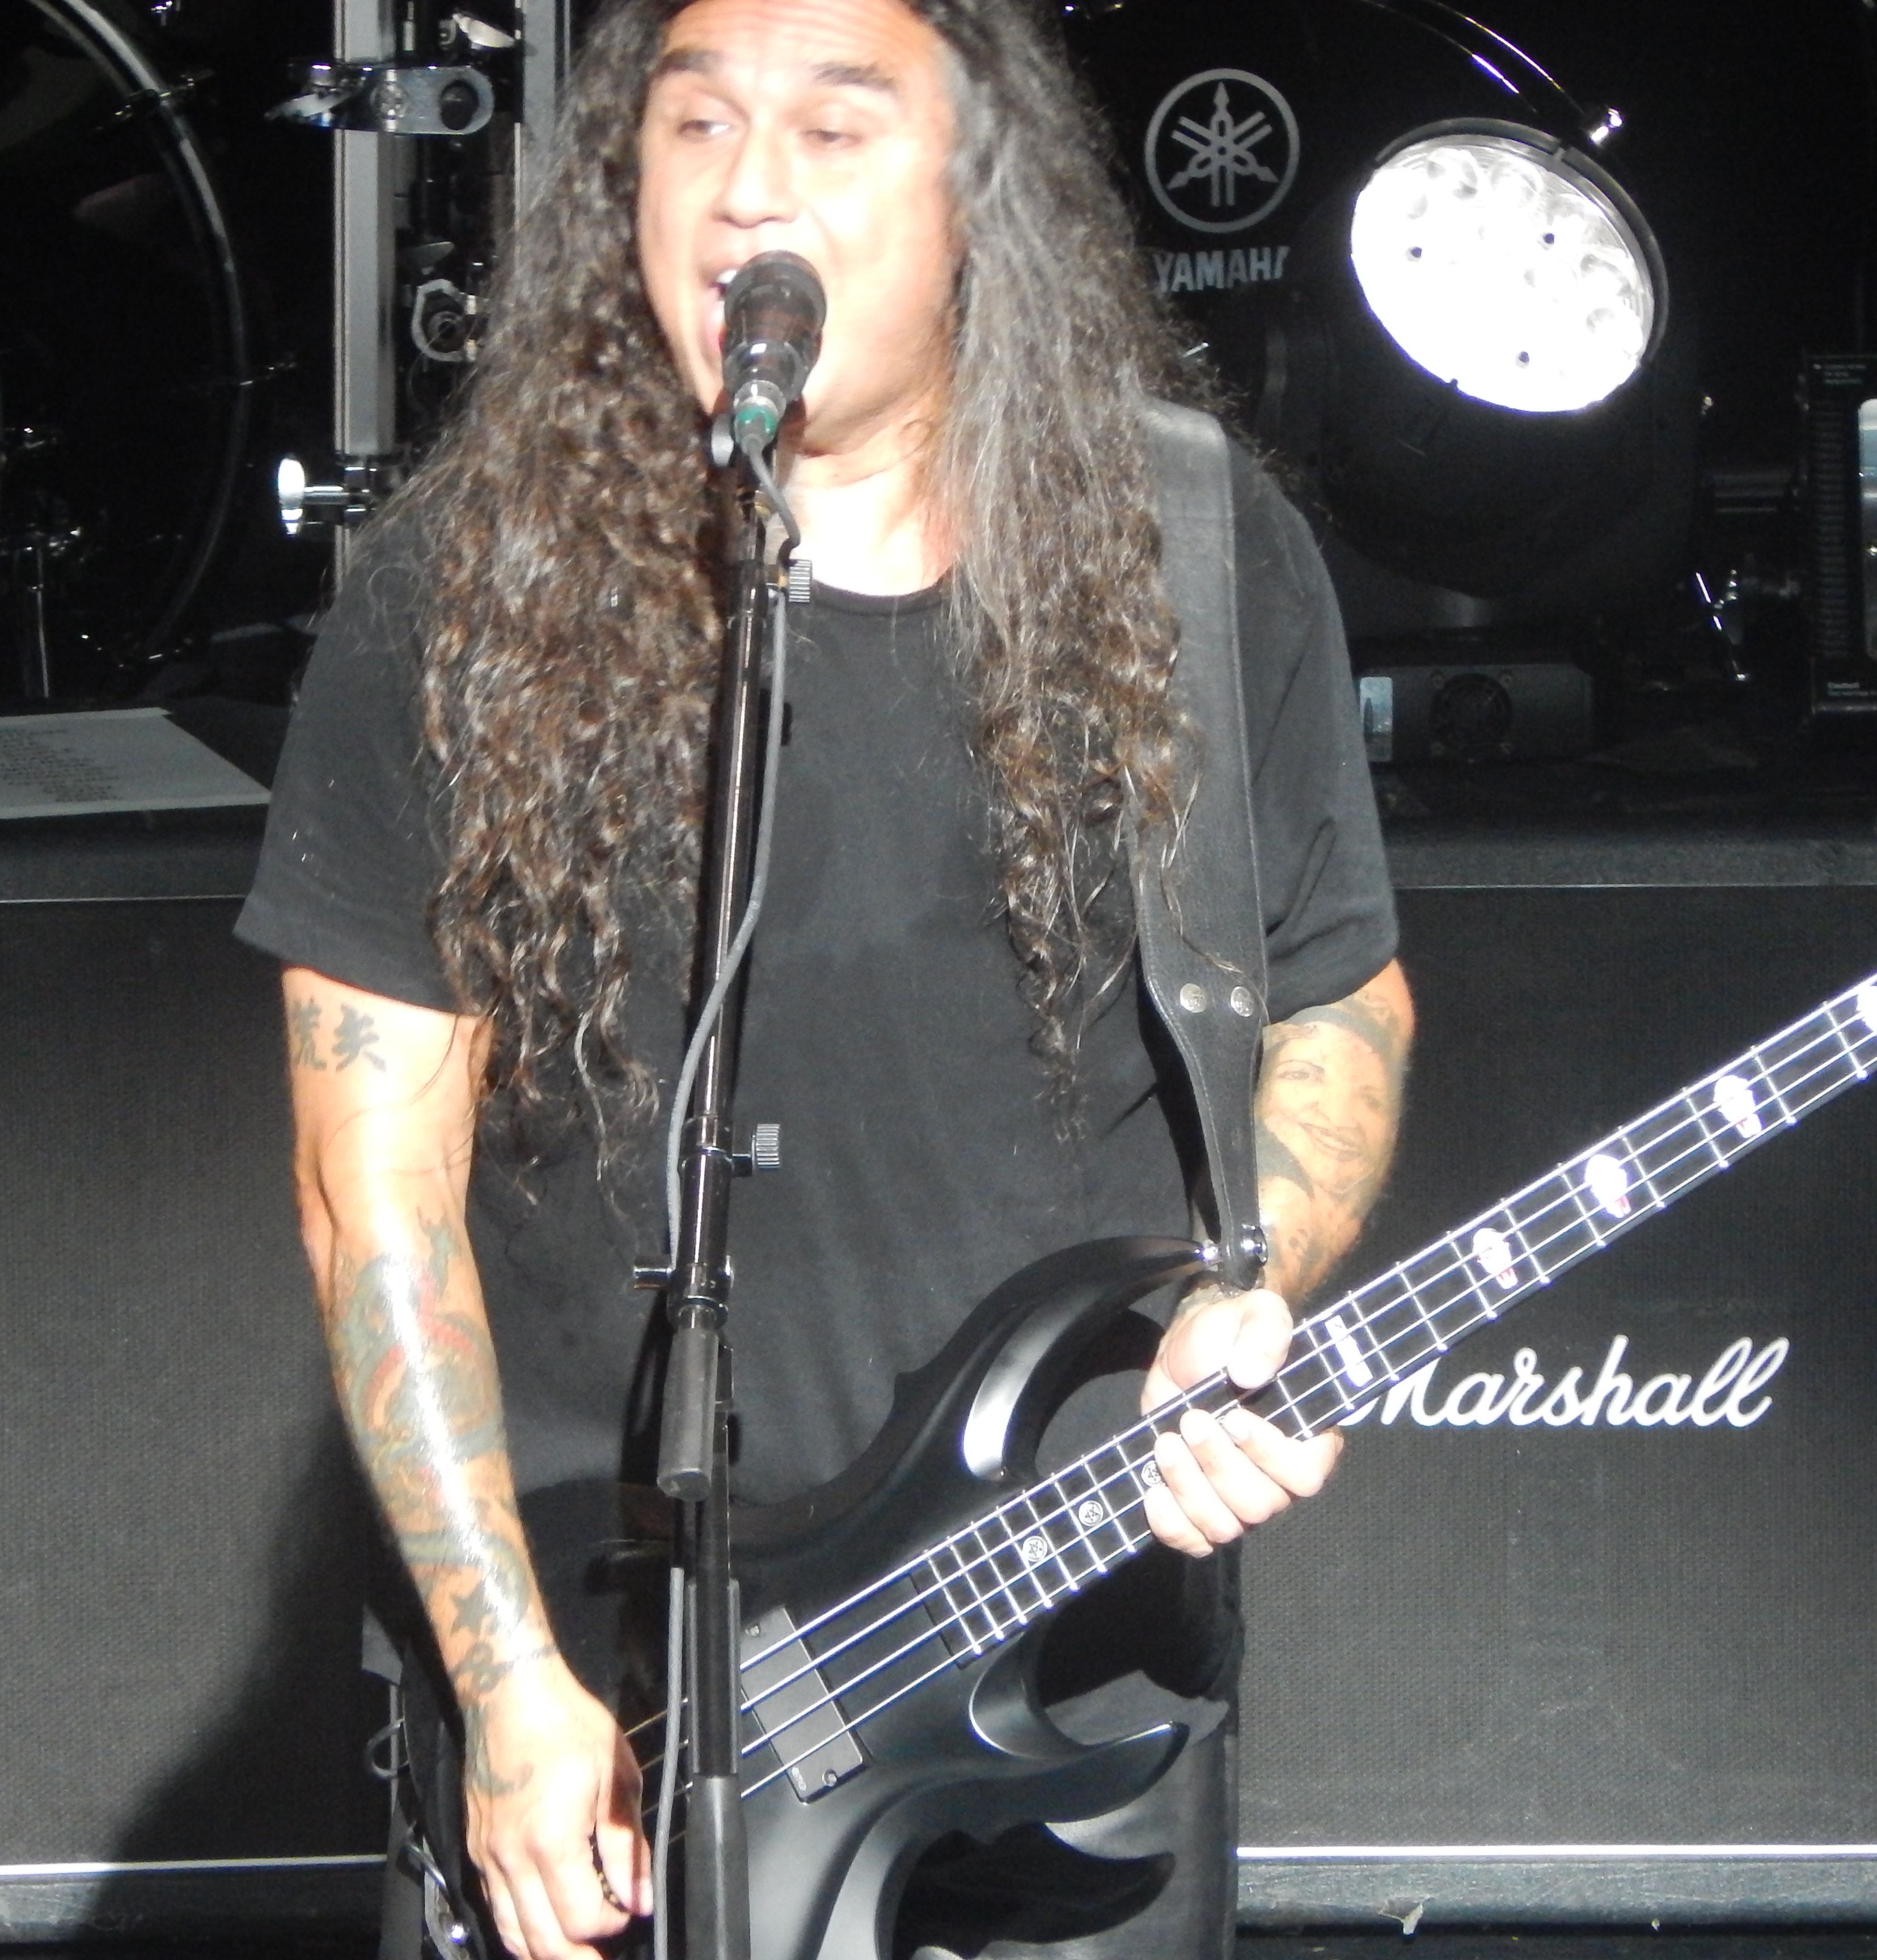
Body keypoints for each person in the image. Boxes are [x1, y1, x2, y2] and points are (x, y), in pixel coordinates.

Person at [239, 0, 1413, 1955]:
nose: (747, 192)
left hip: (1065, 1656)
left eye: (833, 131)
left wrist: (1253, 1280)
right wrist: (504, 1679)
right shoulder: (462, 594)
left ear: (979, 193)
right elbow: (370, 1191)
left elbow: (1336, 999)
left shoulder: (1194, 548)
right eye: (695, 127)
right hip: (616, 1709)